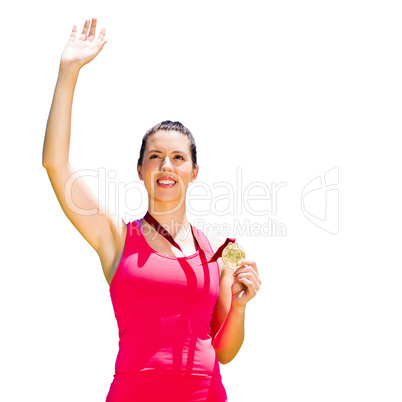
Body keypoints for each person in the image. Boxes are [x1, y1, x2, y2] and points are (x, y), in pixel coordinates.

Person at [42, 18, 262, 402]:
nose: (166, 165)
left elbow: (224, 350)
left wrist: (241, 308)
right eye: (155, 156)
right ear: (140, 169)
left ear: (194, 173)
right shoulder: (114, 237)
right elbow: (55, 164)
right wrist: (68, 71)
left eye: (178, 158)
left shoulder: (221, 251)